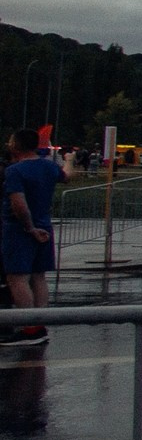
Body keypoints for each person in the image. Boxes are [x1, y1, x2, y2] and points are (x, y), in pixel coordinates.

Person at [3, 131, 61, 342]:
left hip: (20, 230)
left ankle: (29, 327)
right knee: (39, 277)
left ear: (17, 145)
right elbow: (68, 175)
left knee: (17, 278)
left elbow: (19, 203)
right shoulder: (49, 167)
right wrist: (70, 160)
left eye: (10, 141)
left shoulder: (15, 170)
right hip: (45, 225)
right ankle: (40, 324)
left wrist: (30, 228)